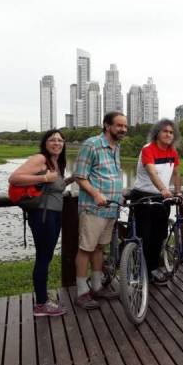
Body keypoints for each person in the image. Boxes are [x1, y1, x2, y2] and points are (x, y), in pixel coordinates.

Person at [9, 130, 72, 317]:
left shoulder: (56, 163)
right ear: (45, 143)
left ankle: (42, 298)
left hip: (53, 215)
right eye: (53, 139)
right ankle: (41, 304)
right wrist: (44, 178)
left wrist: (71, 179)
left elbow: (55, 187)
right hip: (43, 216)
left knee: (46, 256)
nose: (57, 143)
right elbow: (14, 178)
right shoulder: (40, 159)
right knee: (43, 258)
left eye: (60, 140)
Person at [73, 111, 128, 309]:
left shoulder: (117, 147)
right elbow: (80, 176)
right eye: (119, 125)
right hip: (93, 208)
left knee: (99, 248)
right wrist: (96, 194)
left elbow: (112, 175)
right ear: (107, 125)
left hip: (111, 209)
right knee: (85, 248)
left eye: (125, 126)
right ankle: (81, 292)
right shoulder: (92, 144)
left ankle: (96, 287)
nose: (123, 129)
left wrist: (119, 194)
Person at [132, 119, 181, 285]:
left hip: (162, 198)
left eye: (171, 132)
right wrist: (163, 190)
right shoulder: (148, 149)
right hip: (144, 196)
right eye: (165, 131)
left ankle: (152, 269)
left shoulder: (172, 152)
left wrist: (179, 192)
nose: (168, 134)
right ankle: (138, 272)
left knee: (159, 236)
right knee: (143, 236)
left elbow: (176, 174)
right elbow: (152, 173)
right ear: (157, 133)